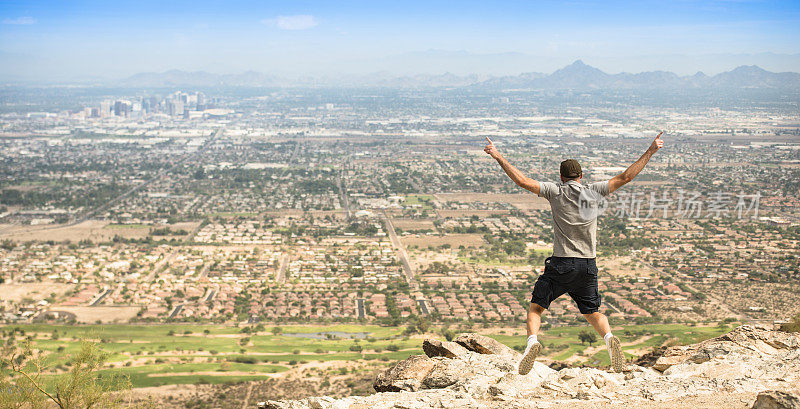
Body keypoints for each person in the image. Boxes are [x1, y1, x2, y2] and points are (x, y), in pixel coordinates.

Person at [483, 132, 664, 374]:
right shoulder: (594, 191)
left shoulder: (554, 191)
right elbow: (627, 176)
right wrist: (651, 150)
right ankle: (609, 339)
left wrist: (497, 156)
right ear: (581, 176)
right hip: (588, 265)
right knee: (593, 311)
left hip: (561, 264)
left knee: (537, 307)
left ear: (561, 177)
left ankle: (532, 344)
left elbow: (523, 181)